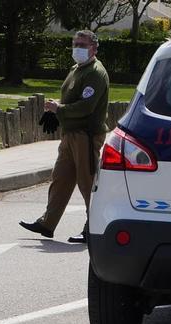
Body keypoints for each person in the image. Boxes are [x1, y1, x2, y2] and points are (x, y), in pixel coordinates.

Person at [20, 30, 110, 244]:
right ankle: (47, 223)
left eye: (82, 44)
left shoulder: (95, 73)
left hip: (86, 135)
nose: (77, 47)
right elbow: (71, 99)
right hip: (71, 134)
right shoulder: (76, 69)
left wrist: (60, 109)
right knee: (60, 178)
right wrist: (56, 111)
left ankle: (93, 228)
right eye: (75, 43)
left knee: (87, 183)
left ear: (94, 48)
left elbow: (86, 107)